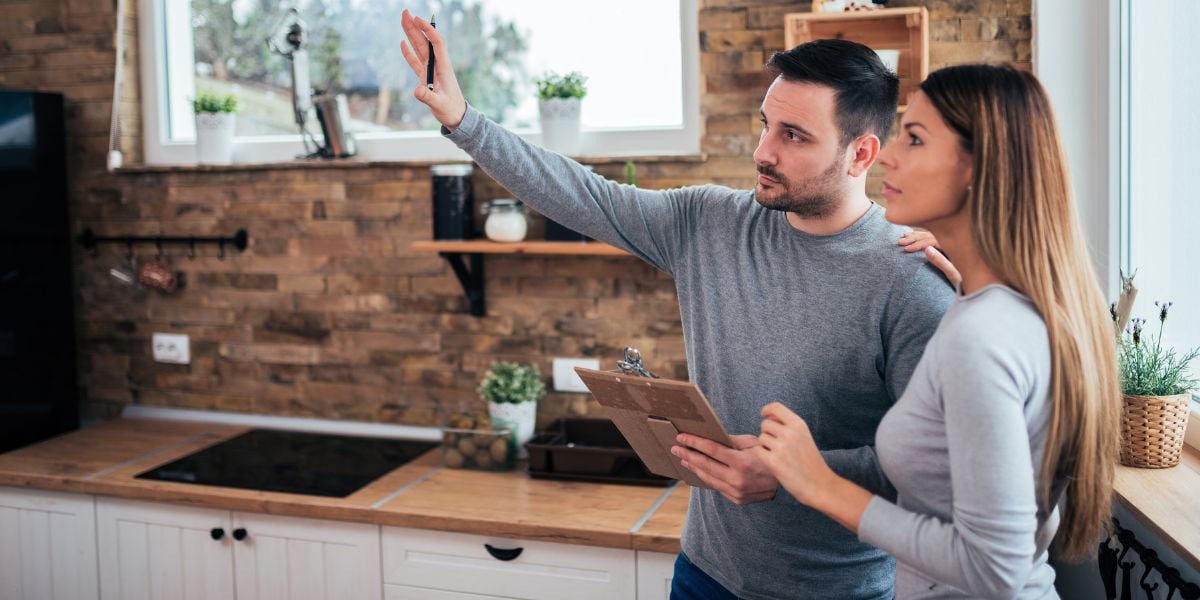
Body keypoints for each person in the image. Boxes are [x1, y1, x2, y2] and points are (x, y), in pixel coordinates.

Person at [399, 11, 954, 599]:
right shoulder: (708, 222)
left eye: (794, 136)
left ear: (861, 154)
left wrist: (794, 475)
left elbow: (933, 469)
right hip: (704, 574)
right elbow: (583, 195)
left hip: (839, 591)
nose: (763, 152)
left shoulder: (911, 280)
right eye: (766, 125)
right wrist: (463, 120)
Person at [753, 64, 1121, 599]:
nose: (889, 155)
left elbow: (994, 567)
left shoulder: (983, 337)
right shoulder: (1012, 309)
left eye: (916, 139)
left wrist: (819, 484)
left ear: (980, 167)